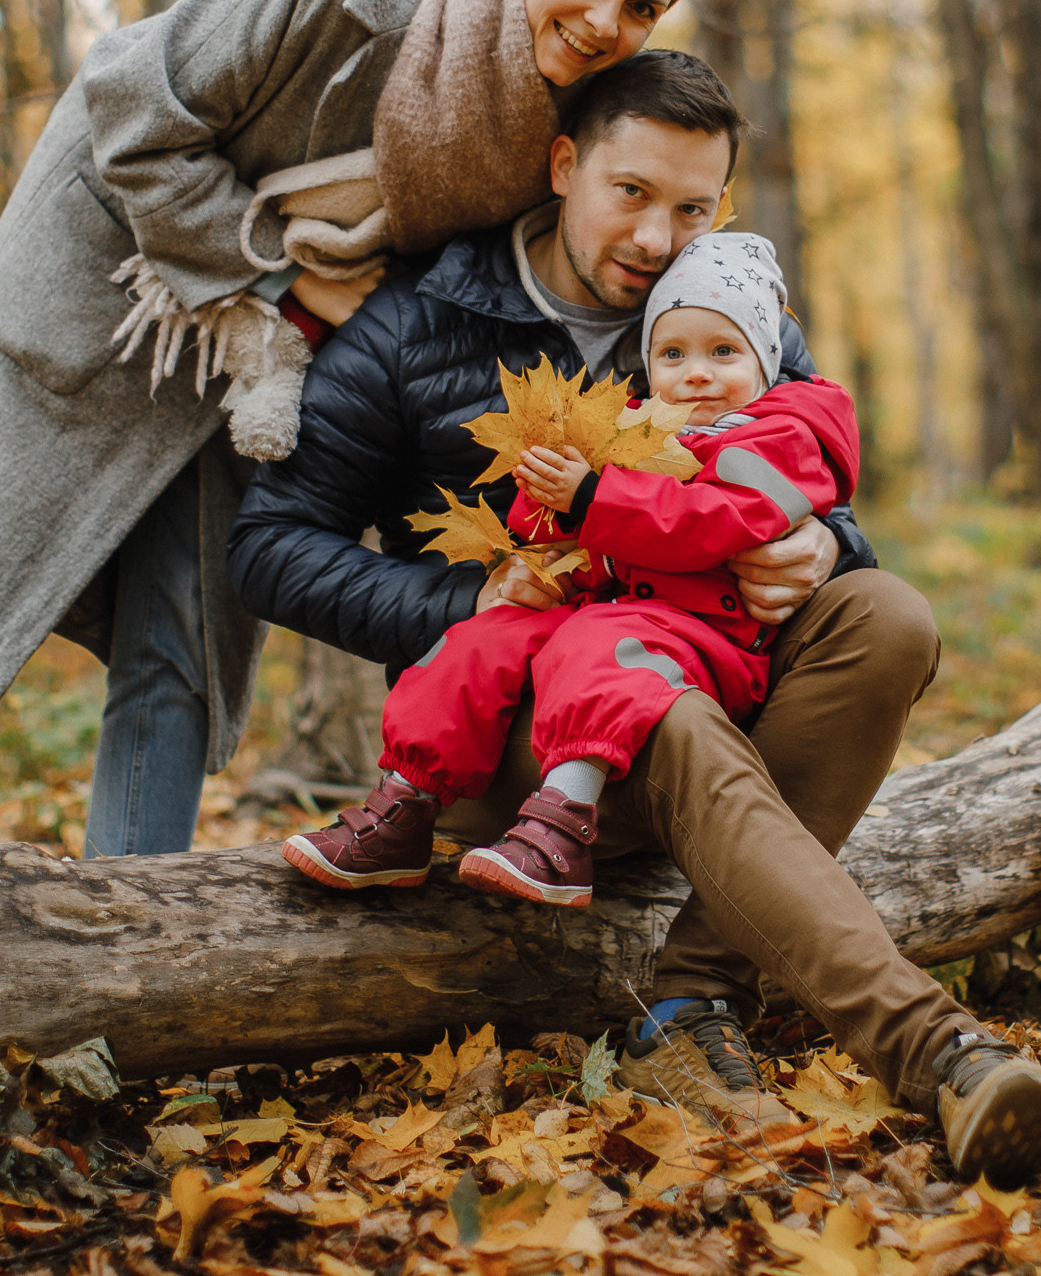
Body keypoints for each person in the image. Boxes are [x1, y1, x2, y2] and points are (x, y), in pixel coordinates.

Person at [230, 49, 1041, 1188]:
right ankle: (936, 1052)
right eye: (630, 193)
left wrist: (829, 548)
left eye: (690, 206)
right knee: (652, 698)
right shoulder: (414, 324)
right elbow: (268, 547)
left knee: (889, 616)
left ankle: (687, 997)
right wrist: (464, 596)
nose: (654, 235)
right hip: (512, 732)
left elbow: (800, 483)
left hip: (705, 660)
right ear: (566, 165)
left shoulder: (728, 310)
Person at [0, 0, 712, 856]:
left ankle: (133, 945)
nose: (607, 22)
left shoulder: (563, 117)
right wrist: (276, 278)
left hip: (270, 367)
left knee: (183, 642)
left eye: (642, 7)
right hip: (118, 292)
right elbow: (127, 96)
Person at [282, 233, 859, 909]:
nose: (696, 372)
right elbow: (568, 530)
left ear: (765, 360)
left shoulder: (781, 436)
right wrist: (548, 504)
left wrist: (591, 498)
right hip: (604, 606)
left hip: (703, 634)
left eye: (722, 352)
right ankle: (405, 802)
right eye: (673, 354)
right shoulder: (638, 428)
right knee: (480, 638)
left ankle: (561, 825)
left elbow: (708, 526)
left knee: (598, 652)